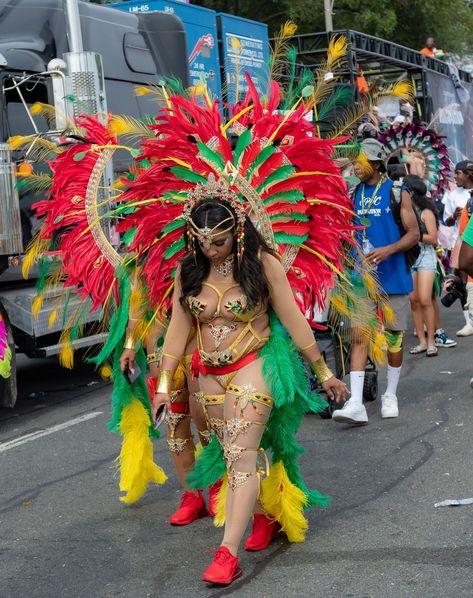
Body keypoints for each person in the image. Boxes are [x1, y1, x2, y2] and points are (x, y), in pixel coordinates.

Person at [152, 194, 349, 584]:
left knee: (241, 456)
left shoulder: (262, 265)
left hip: (252, 366)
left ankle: (226, 554)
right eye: (201, 241)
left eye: (218, 241)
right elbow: (177, 330)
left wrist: (325, 372)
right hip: (208, 373)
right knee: (231, 457)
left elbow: (293, 320)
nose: (209, 249)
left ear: (238, 232)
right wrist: (162, 384)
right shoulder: (188, 270)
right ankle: (267, 514)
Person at [332, 138, 420, 424]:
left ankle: (390, 394)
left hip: (393, 277)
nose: (356, 166)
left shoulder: (397, 191)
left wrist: (389, 249)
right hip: (361, 279)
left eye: (361, 161)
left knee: (394, 339)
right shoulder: (354, 192)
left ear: (377, 163)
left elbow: (413, 234)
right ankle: (356, 402)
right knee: (359, 336)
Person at [407, 176, 440, 357]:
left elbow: (433, 239)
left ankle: (431, 342)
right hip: (410, 257)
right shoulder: (405, 213)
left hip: (425, 256)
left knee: (425, 299)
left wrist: (413, 235)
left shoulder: (426, 213)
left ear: (411, 193)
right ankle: (421, 341)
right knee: (414, 301)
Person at [443, 160, 473, 336]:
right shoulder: (453, 195)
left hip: (466, 245)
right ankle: (468, 321)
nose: (455, 177)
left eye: (458, 173)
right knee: (462, 283)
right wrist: (454, 215)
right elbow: (446, 221)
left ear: (468, 174)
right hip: (460, 243)